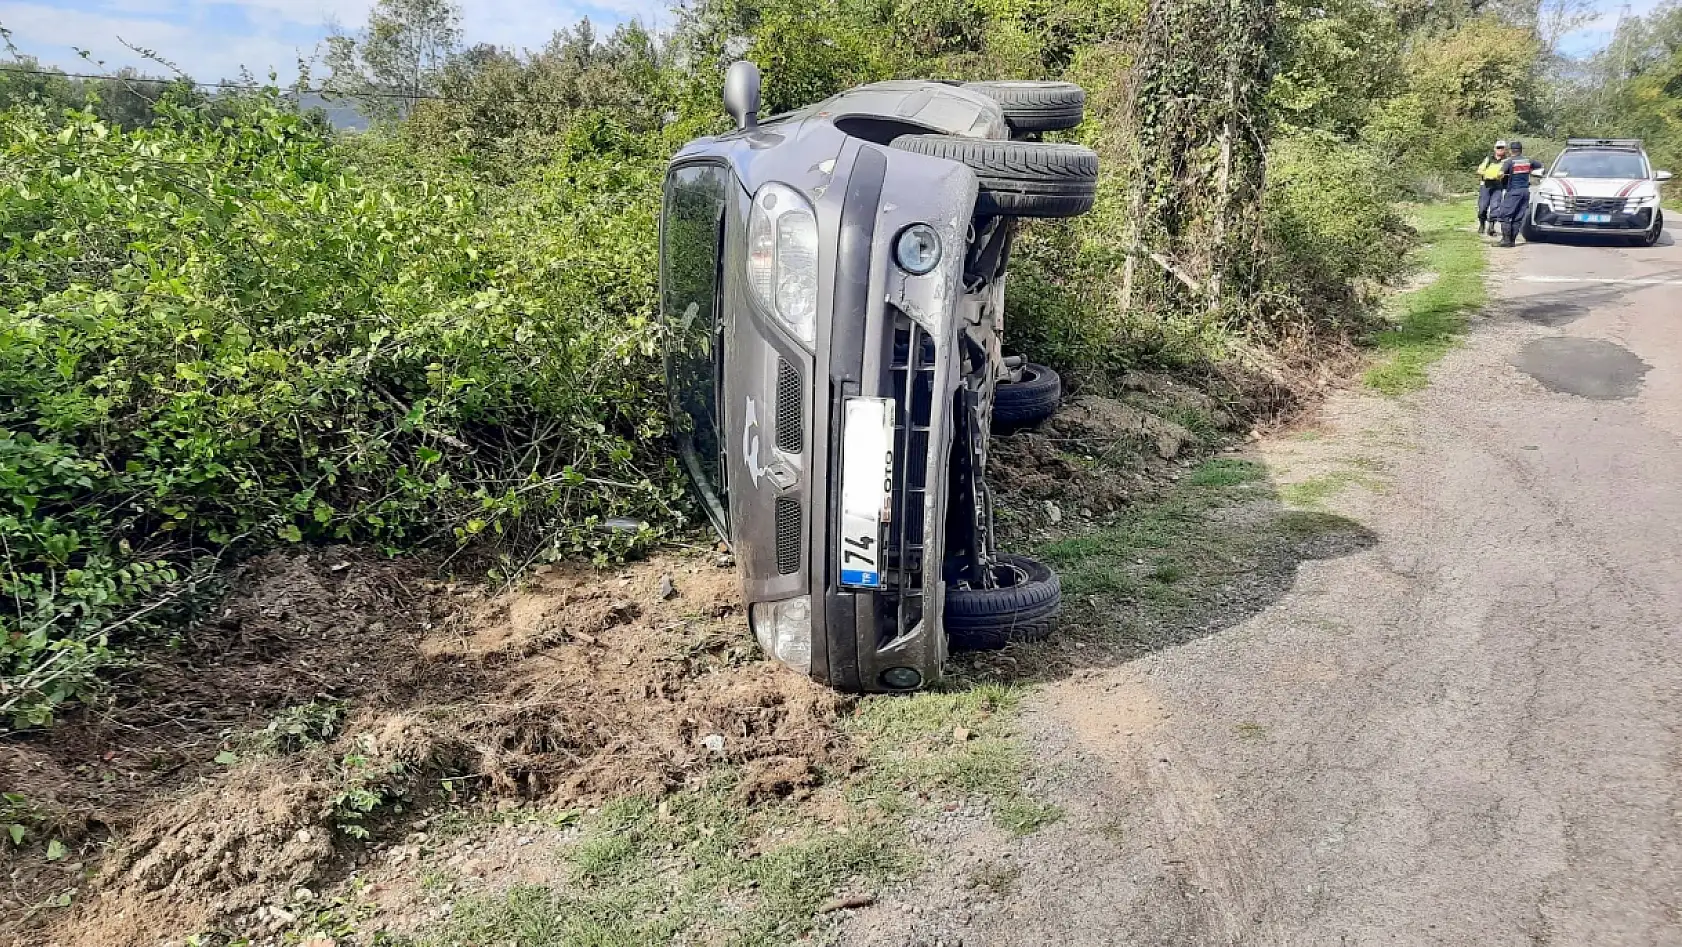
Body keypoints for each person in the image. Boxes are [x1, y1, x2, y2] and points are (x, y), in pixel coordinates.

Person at [1497, 140, 1544, 248]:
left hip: (1513, 191)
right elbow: (1540, 166)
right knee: (1518, 217)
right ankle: (1512, 241)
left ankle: (1506, 240)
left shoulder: (1509, 162)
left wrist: (1500, 177)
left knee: (1505, 215)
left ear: (1510, 151)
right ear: (1521, 150)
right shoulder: (1528, 161)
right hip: (1525, 192)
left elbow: (1500, 174)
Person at [1477, 141, 1508, 235]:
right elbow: (1479, 170)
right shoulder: (1488, 159)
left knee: (1495, 206)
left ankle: (1491, 227)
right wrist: (1487, 174)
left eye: (1502, 148)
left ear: (1505, 149)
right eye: (1498, 147)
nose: (1500, 149)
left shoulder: (1507, 160)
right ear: (1495, 149)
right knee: (1482, 207)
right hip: (1486, 185)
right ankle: (1482, 224)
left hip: (1498, 185)